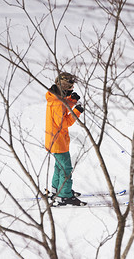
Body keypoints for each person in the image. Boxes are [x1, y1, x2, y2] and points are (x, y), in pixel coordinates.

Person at [45, 72, 87, 206]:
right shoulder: (56, 103)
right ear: (63, 87)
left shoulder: (55, 98)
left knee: (59, 167)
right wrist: (77, 111)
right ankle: (64, 196)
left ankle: (57, 190)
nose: (72, 89)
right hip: (58, 141)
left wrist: (72, 100)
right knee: (66, 169)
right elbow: (64, 122)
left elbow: (63, 105)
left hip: (55, 140)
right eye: (70, 88)